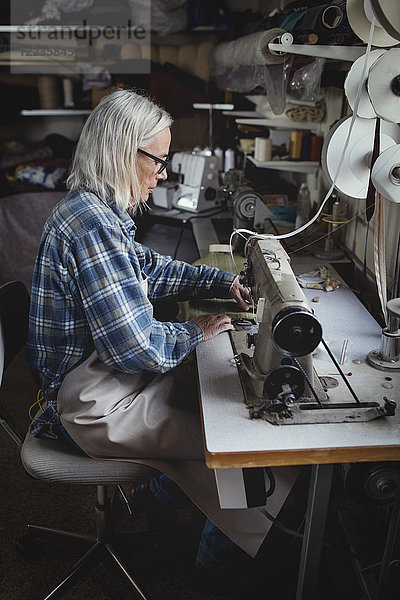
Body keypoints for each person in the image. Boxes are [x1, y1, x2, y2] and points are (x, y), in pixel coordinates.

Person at [26, 88, 297, 597]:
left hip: (99, 382)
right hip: (85, 407)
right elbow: (137, 349)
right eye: (159, 160)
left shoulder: (96, 212)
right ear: (122, 153)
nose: (164, 173)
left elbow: (148, 269)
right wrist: (197, 330)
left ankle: (163, 496)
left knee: (208, 398)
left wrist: (218, 285)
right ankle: (217, 569)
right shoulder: (91, 227)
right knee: (247, 445)